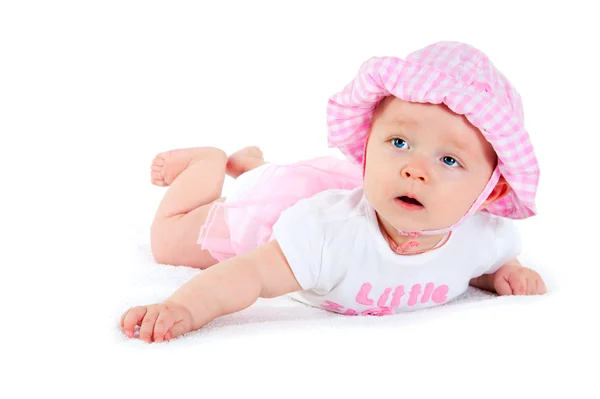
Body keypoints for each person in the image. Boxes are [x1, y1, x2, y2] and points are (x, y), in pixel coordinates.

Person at [121, 41, 547, 343]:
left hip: (332, 190)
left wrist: (500, 273)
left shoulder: (486, 238)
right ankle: (209, 164)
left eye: (449, 161)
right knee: (169, 242)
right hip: (275, 216)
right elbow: (248, 275)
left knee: (305, 181)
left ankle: (257, 163)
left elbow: (484, 258)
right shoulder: (324, 233)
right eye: (398, 143)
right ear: (367, 145)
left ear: (490, 193)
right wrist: (185, 308)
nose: (413, 170)